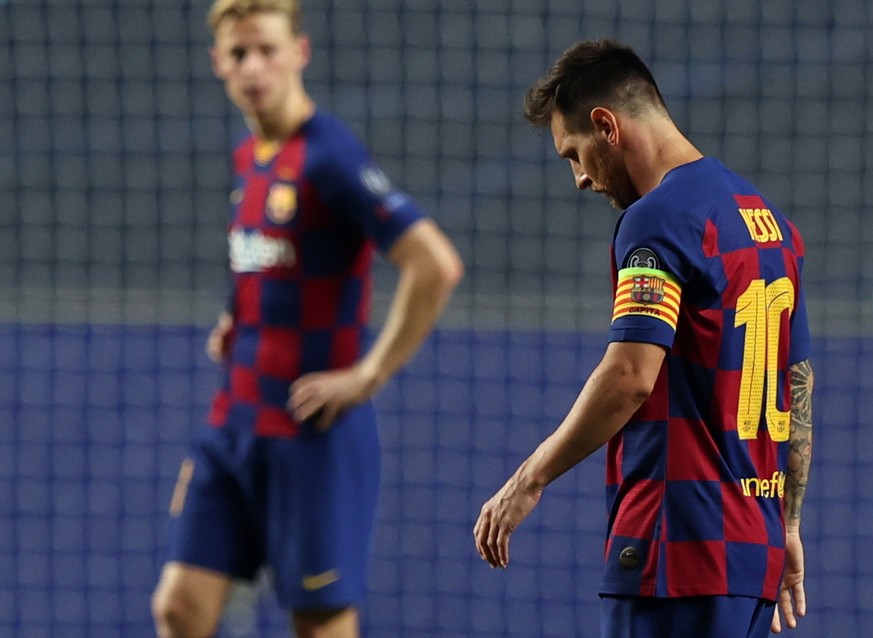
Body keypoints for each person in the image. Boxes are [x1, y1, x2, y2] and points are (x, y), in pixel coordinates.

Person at [473, 39, 813, 638]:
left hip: (671, 551)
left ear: (606, 125)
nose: (579, 178)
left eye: (574, 154)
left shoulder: (657, 219)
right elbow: (797, 383)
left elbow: (630, 377)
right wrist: (786, 524)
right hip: (753, 555)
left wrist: (528, 480)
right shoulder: (773, 225)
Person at [150, 1, 463, 636]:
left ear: (300, 52)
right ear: (218, 64)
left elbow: (435, 263)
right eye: (239, 54)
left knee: (319, 625)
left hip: (311, 436)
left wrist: (369, 375)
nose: (253, 67)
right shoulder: (249, 157)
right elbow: (268, 263)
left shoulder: (329, 157)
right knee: (179, 608)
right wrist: (234, 322)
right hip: (234, 424)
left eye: (267, 49)